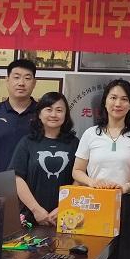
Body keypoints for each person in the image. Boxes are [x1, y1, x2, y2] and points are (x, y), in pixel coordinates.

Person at [72, 79, 130, 259]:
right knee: (92, 257)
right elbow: (77, 171)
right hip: (94, 202)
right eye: (113, 98)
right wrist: (93, 182)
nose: (118, 103)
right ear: (105, 101)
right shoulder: (91, 134)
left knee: (123, 258)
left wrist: (125, 187)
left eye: (124, 99)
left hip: (126, 203)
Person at [9, 92, 78, 226]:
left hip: (66, 217)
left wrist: (63, 207)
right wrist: (36, 210)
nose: (54, 114)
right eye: (48, 109)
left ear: (66, 115)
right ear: (39, 114)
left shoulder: (74, 143)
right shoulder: (27, 142)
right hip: (30, 217)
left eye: (59, 110)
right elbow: (16, 178)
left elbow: (79, 179)